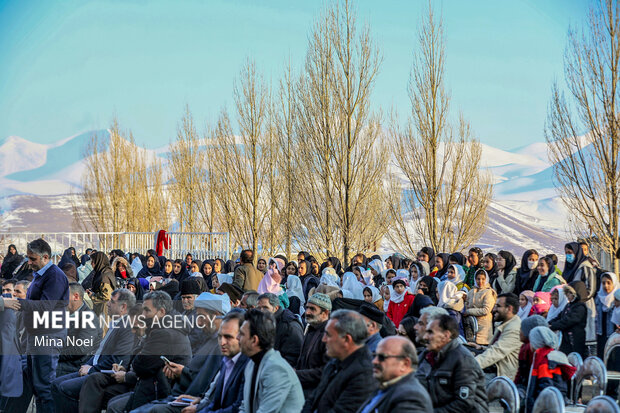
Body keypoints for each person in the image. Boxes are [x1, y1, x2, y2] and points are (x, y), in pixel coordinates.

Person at [3, 239, 70, 413]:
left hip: (48, 336)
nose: (29, 263)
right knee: (37, 385)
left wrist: (16, 303)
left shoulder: (54, 276)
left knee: (44, 388)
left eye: (32, 259)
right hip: (39, 336)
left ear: (45, 257)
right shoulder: (42, 274)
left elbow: (45, 307)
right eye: (28, 258)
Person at [51, 289, 136, 412]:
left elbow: (118, 361)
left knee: (63, 388)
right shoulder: (116, 324)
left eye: (112, 302)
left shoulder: (127, 328)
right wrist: (88, 365)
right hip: (93, 368)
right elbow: (99, 354)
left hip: (104, 375)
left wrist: (91, 369)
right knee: (55, 384)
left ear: (123, 307)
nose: (107, 304)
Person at [173, 311, 250, 413]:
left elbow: (238, 407)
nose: (222, 343)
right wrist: (198, 406)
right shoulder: (226, 361)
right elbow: (214, 400)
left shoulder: (248, 365)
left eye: (228, 337)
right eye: (219, 337)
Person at [302, 310, 377, 413]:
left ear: (346, 339)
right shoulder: (335, 361)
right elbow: (313, 398)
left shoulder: (364, 375)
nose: (323, 340)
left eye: (328, 335)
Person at [237, 309, 304, 413]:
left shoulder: (276, 369)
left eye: (241, 334)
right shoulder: (251, 363)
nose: (237, 338)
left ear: (254, 340)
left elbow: (266, 411)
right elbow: (244, 407)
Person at [422, 314, 488, 412]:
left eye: (430, 332)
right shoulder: (431, 355)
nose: (425, 337)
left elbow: (464, 404)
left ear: (446, 335)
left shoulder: (463, 360)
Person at [357, 336, 433, 413]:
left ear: (405, 364)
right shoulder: (385, 386)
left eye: (382, 357)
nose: (374, 361)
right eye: (374, 355)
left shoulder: (409, 396)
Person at [524, 326, 576, 412]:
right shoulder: (545, 357)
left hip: (548, 406)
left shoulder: (544, 361)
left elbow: (546, 387)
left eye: (531, 342)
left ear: (537, 343)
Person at [56, 283, 102, 377]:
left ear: (76, 296)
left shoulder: (89, 318)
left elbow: (80, 349)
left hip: (77, 364)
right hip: (65, 359)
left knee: (38, 367)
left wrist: (55, 354)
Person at [474, 293, 522, 382]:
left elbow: (496, 352)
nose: (494, 309)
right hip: (494, 369)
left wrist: (469, 364)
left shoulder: (514, 328)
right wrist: (481, 348)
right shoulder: (505, 324)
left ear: (509, 309)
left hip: (501, 377)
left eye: (498, 306)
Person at [295, 293, 331, 398]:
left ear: (325, 313)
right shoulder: (311, 329)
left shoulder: (329, 335)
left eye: (312, 309)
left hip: (316, 393)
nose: (307, 312)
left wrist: (297, 374)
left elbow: (325, 371)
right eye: (307, 308)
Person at [257, 293, 303, 367]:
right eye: (259, 308)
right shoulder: (265, 321)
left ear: (276, 308)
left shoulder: (289, 325)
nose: (261, 311)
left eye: (265, 308)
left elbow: (293, 357)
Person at [563, 242, 597, 341]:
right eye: (566, 253)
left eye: (570, 252)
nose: (568, 255)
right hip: (572, 306)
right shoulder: (571, 268)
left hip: (584, 306)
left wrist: (578, 299)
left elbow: (590, 290)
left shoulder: (585, 267)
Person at [549, 281, 588, 358]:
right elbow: (560, 317)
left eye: (570, 293)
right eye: (566, 293)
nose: (567, 295)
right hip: (566, 339)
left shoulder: (580, 307)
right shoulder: (569, 305)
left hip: (575, 339)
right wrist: (549, 323)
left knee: (574, 359)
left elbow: (568, 321)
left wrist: (552, 326)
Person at [513, 315, 549, 397]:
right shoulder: (531, 347)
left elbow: (523, 373)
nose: (519, 331)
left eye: (521, 329)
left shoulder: (529, 349)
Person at [464, 269, 497, 345]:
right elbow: (467, 304)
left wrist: (468, 312)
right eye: (478, 279)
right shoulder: (471, 291)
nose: (480, 281)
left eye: (483, 279)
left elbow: (486, 310)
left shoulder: (488, 292)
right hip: (471, 326)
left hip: (484, 326)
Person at [595, 272, 619, 358]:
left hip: (615, 335)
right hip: (601, 334)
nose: (606, 286)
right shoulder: (599, 297)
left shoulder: (617, 298)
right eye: (603, 283)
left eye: (609, 283)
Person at [88, 251, 117, 316]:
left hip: (104, 309)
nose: (91, 264)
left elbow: (106, 296)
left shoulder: (104, 275)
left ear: (98, 262)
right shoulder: (103, 272)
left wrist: (92, 295)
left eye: (93, 261)